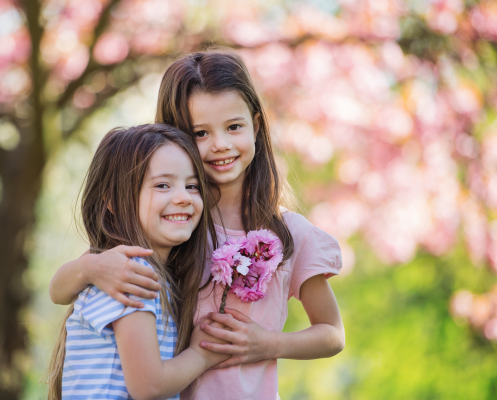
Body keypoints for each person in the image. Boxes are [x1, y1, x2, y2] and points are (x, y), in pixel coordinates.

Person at [50, 49, 345, 400]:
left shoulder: (288, 233)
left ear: (256, 125)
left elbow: (331, 333)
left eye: (234, 127)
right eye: (200, 133)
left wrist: (268, 344)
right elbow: (62, 288)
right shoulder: (175, 221)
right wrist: (93, 267)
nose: (220, 145)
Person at [46, 123, 229, 400]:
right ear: (113, 202)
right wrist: (201, 355)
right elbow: (148, 386)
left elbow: (57, 290)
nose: (183, 197)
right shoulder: (130, 271)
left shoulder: (125, 266)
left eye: (192, 186)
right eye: (163, 185)